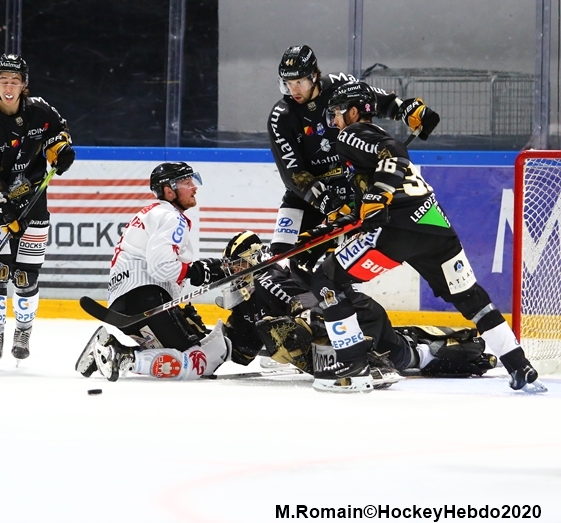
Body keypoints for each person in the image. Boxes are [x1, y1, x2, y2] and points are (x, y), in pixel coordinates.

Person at [305, 80, 545, 393]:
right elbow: (377, 192)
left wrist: (380, 193)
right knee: (471, 298)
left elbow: (393, 154)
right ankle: (518, 365)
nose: (333, 121)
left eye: (337, 113)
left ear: (352, 112)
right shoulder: (362, 148)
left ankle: (354, 366)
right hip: (436, 228)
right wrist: (337, 221)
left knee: (326, 281)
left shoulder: (351, 135)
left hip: (396, 232)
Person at [218, 231, 496, 387]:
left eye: (239, 265)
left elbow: (308, 311)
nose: (235, 272)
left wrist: (299, 333)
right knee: (405, 347)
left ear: (255, 260)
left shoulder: (268, 278)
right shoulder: (253, 292)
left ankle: (451, 352)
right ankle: (432, 347)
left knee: (406, 355)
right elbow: (242, 351)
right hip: (354, 316)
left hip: (358, 317)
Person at [267, 45, 440, 266]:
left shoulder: (339, 86)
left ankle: (334, 295)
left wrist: (408, 110)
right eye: (288, 83)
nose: (294, 90)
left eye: (299, 82)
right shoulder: (281, 116)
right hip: (306, 196)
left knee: (336, 266)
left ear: (314, 75)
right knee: (278, 263)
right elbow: (293, 174)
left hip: (349, 187)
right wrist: (329, 204)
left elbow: (375, 100)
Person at [75, 162, 232, 382]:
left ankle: (111, 350)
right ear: (169, 190)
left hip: (126, 302)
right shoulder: (172, 217)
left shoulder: (153, 213)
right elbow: (162, 267)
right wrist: (197, 272)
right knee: (198, 362)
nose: (195, 187)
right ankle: (119, 356)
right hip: (146, 298)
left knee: (181, 354)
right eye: (187, 182)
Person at [0, 53, 75, 370]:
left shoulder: (41, 109)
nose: (9, 86)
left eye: (15, 80)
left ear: (24, 85)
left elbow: (59, 131)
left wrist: (59, 150)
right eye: (3, 79)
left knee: (25, 276)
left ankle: (23, 332)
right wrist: (2, 209)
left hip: (33, 198)